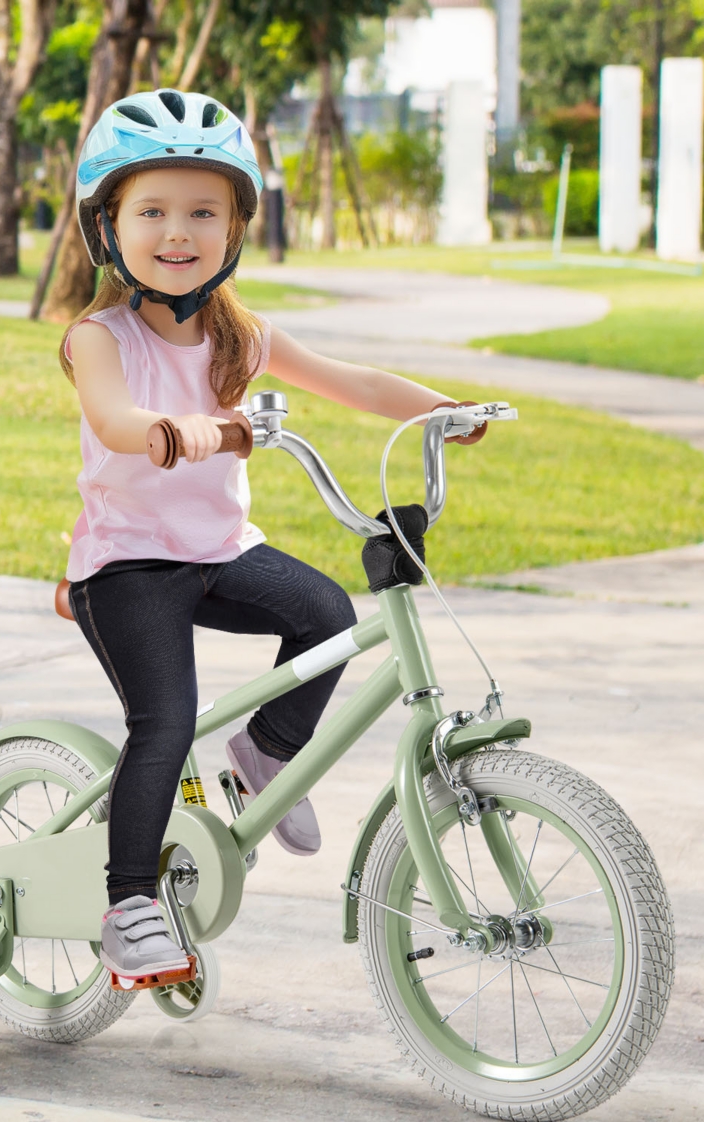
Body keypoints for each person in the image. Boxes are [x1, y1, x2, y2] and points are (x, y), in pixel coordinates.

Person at [60, 88, 461, 985]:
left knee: (325, 615)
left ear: (235, 227)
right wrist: (172, 430)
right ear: (108, 227)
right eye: (152, 211)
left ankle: (265, 753)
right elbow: (116, 419)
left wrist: (443, 408)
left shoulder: (240, 333)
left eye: (203, 211)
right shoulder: (100, 336)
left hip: (220, 552)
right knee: (162, 722)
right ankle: (129, 904)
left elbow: (352, 383)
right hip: (129, 564)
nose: (178, 231)